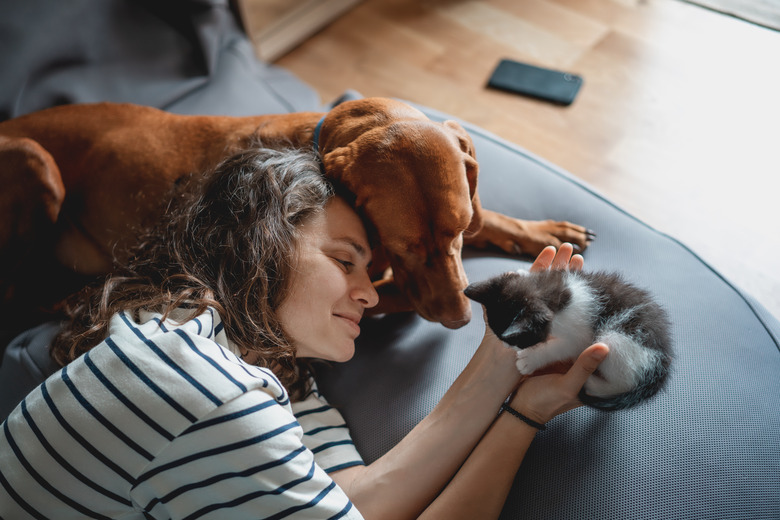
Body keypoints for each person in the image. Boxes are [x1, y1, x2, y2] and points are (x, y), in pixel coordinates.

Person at [0, 143, 608, 519]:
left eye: (369, 271)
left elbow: (364, 501)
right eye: (344, 261)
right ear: (259, 243)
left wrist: (506, 369)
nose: (371, 294)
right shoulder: (206, 389)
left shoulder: (269, 368)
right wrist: (521, 421)